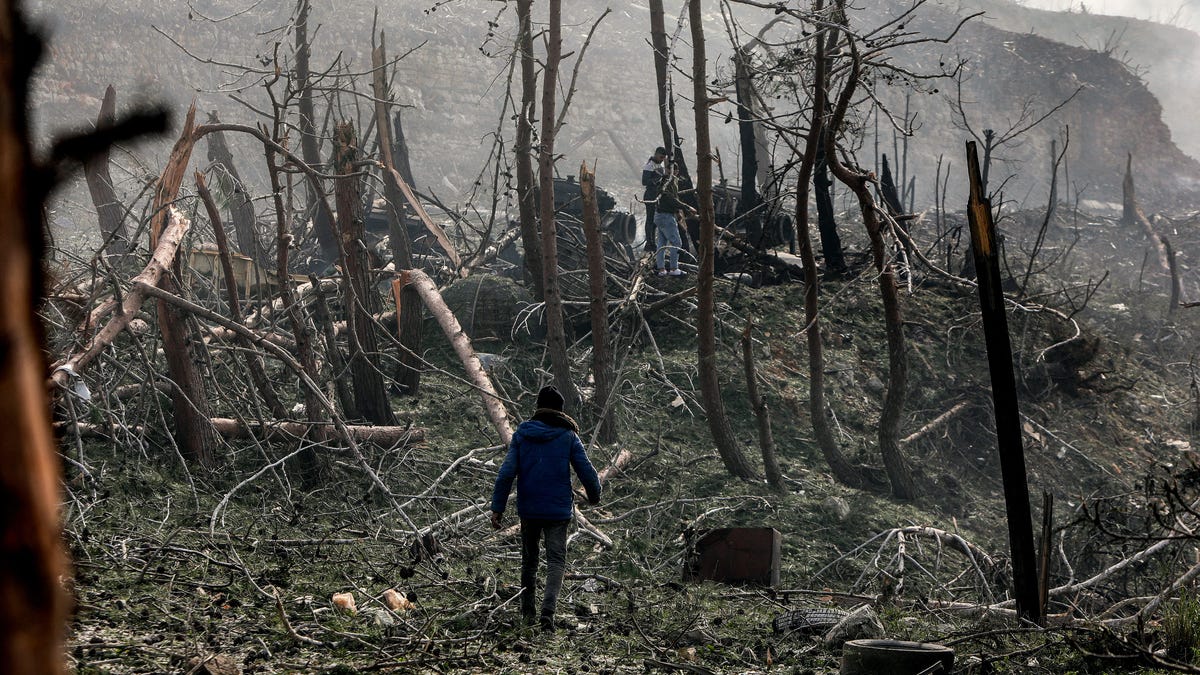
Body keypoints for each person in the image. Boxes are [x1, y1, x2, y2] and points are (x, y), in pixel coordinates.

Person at [491, 385, 602, 631]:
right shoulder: (568, 436)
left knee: (529, 562)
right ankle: (547, 615)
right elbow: (586, 470)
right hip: (557, 511)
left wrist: (497, 507)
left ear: (538, 408)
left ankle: (527, 614)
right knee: (556, 562)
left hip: (529, 508)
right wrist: (594, 495)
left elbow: (506, 472)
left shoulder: (522, 434)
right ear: (560, 411)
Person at [653, 162, 697, 276]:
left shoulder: (667, 181)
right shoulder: (667, 182)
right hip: (666, 216)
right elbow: (671, 199)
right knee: (676, 242)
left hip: (660, 215)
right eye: (670, 170)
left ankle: (661, 269)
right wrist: (686, 207)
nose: (672, 173)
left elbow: (672, 198)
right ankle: (673, 269)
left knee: (662, 244)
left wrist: (677, 212)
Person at [641, 147, 668, 251]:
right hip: (650, 195)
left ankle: (652, 242)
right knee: (650, 219)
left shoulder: (659, 165)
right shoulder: (649, 165)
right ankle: (649, 242)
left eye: (663, 158)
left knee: (654, 220)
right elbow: (644, 181)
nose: (662, 159)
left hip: (656, 195)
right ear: (656, 154)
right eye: (661, 157)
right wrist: (656, 179)